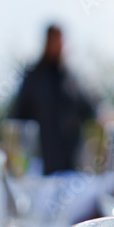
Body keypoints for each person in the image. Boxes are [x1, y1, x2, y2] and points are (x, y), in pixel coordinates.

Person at [11, 24, 97, 175]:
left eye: (60, 40)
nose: (57, 45)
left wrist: (107, 114)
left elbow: (91, 107)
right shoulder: (33, 76)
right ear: (46, 41)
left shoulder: (71, 77)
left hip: (73, 164)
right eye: (54, 40)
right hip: (42, 165)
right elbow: (17, 118)